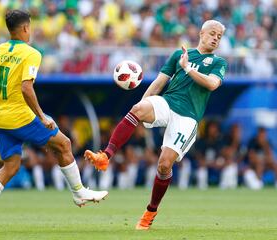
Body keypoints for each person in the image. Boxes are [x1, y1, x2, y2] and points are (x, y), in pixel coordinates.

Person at [0, 10, 108, 232]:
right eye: (29, 27)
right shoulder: (31, 53)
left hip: (0, 118)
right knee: (64, 144)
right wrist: (42, 117)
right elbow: (26, 87)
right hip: (20, 117)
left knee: (11, 166)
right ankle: (79, 192)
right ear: (25, 28)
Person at [85, 20, 227, 230]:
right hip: (167, 102)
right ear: (201, 33)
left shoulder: (218, 62)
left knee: (164, 165)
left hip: (188, 118)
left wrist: (187, 68)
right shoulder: (178, 55)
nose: (215, 38)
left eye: (219, 36)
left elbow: (212, 84)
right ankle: (105, 156)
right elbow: (159, 82)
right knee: (138, 109)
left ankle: (151, 211)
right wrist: (142, 104)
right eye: (212, 33)